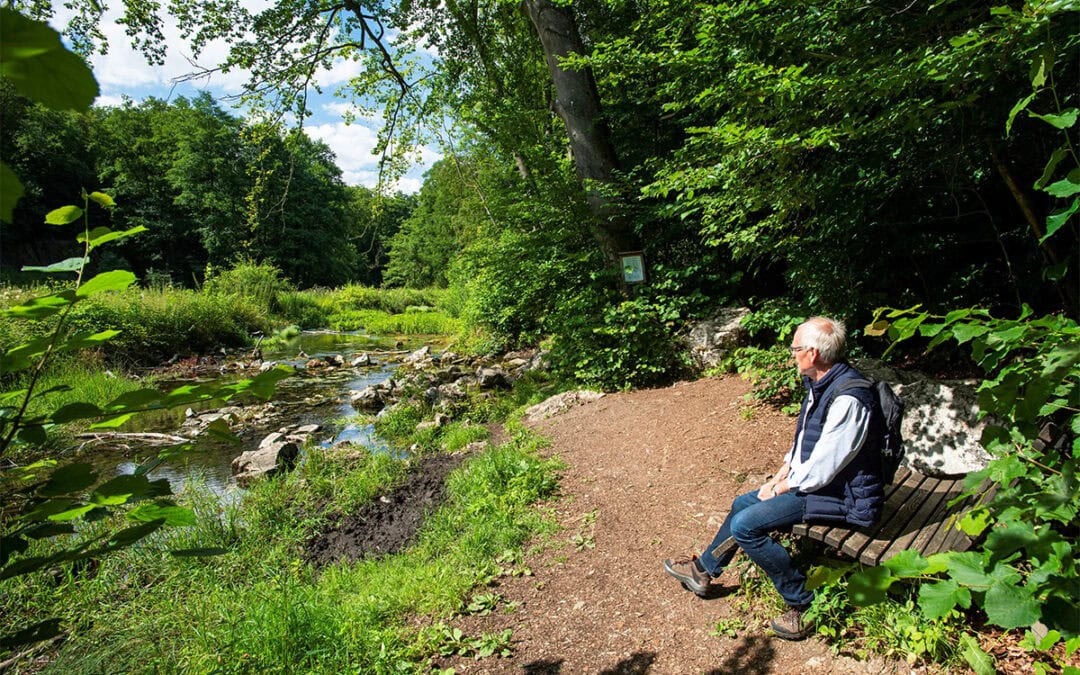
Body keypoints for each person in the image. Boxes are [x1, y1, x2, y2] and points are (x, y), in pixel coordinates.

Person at [663, 316, 885, 640]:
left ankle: (805, 604)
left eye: (795, 348)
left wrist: (781, 488)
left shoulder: (849, 397)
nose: (791, 354)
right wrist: (782, 472)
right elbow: (806, 442)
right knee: (742, 503)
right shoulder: (821, 382)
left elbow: (824, 466)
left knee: (746, 526)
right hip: (821, 485)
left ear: (812, 353)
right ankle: (704, 570)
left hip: (846, 497)